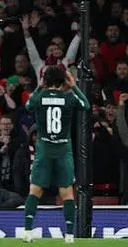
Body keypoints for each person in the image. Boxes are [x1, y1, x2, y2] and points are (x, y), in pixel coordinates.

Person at [22, 66, 90, 243]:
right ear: (63, 80)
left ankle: (28, 231)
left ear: (45, 80)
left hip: (44, 149)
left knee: (35, 190)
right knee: (66, 192)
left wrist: (39, 87)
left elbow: (28, 106)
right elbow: (86, 105)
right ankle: (69, 235)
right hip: (63, 149)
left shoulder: (40, 97)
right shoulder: (69, 97)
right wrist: (74, 86)